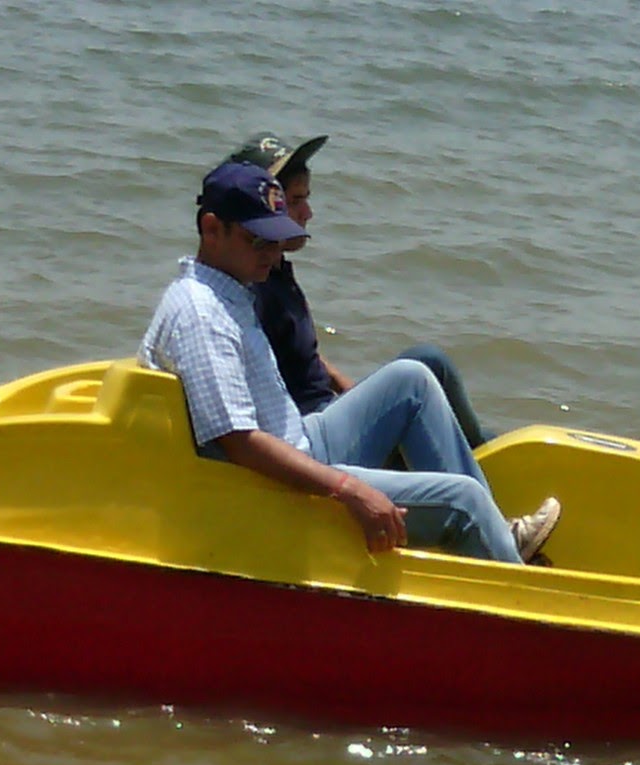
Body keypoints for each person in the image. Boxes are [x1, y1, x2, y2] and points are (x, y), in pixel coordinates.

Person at [137, 161, 558, 563]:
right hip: (274, 486)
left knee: (412, 379)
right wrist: (347, 488)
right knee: (463, 501)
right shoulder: (203, 315)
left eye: (277, 239)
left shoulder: (230, 290)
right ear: (212, 229)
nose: (273, 252)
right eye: (259, 241)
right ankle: (501, 565)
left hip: (300, 438)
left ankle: (494, 537)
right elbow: (241, 443)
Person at [226, 132, 493, 450]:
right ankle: (482, 458)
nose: (308, 213)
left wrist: (348, 389)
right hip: (312, 433)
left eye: (306, 198)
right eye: (295, 202)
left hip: (329, 410)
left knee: (439, 397)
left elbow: (303, 355)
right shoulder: (253, 286)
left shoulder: (275, 270)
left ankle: (482, 451)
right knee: (428, 363)